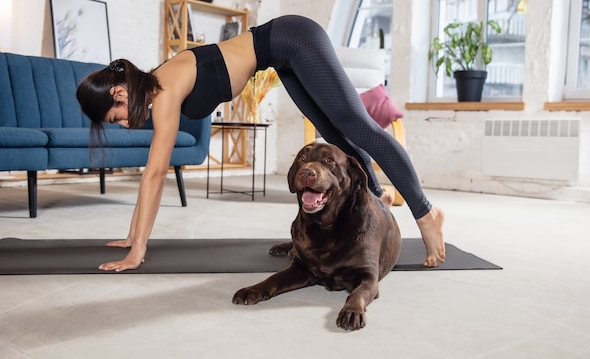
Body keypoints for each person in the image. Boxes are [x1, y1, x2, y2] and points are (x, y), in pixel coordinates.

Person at [76, 15, 445, 272]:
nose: (124, 124)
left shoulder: (166, 90)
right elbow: (150, 174)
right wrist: (131, 235)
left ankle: (426, 214)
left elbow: (155, 175)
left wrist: (138, 250)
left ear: (120, 93)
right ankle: (378, 196)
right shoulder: (159, 86)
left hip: (292, 38)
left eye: (116, 117)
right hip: (281, 55)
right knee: (334, 134)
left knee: (358, 126)